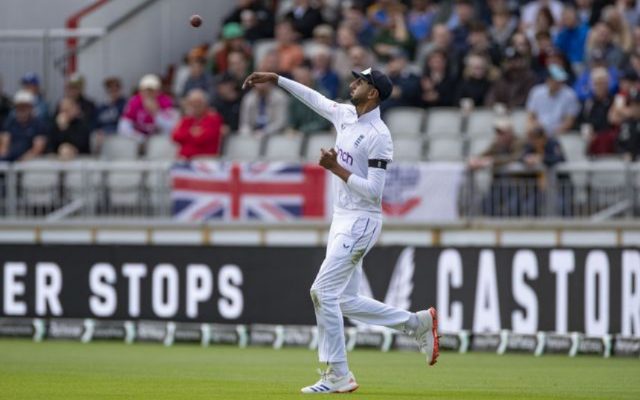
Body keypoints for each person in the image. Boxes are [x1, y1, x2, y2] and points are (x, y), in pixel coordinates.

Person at [242, 67, 439, 394]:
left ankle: (338, 374)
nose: (353, 83)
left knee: (322, 292)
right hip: (342, 218)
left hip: (362, 220)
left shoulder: (379, 135)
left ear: (373, 92)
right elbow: (314, 98)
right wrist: (277, 79)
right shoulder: (346, 114)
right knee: (344, 300)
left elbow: (376, 192)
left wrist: (337, 169)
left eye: (360, 81)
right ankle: (416, 323)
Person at [118, 74, 179, 142]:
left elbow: (173, 128)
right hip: (139, 140)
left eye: (151, 90)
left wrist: (156, 113)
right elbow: (123, 127)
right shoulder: (134, 102)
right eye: (145, 90)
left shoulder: (166, 103)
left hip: (159, 141)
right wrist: (139, 137)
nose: (147, 93)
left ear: (158, 91)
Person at [526, 64, 580, 136]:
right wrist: (534, 129)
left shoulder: (570, 95)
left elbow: (569, 121)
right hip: (539, 132)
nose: (559, 82)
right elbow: (530, 116)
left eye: (560, 79)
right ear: (548, 79)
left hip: (561, 133)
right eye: (555, 79)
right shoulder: (536, 92)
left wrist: (552, 134)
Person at [172, 89, 224, 159]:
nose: (195, 105)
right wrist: (191, 132)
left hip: (205, 160)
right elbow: (175, 137)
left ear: (205, 103)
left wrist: (187, 135)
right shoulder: (187, 119)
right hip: (184, 160)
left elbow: (202, 139)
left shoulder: (213, 118)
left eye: (198, 102)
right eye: (192, 103)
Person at [0, 90, 47, 162]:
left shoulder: (38, 124)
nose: (22, 109)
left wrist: (21, 161)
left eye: (25, 106)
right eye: (19, 107)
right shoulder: (10, 122)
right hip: (10, 161)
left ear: (31, 107)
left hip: (30, 163)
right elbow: (4, 145)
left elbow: (38, 148)